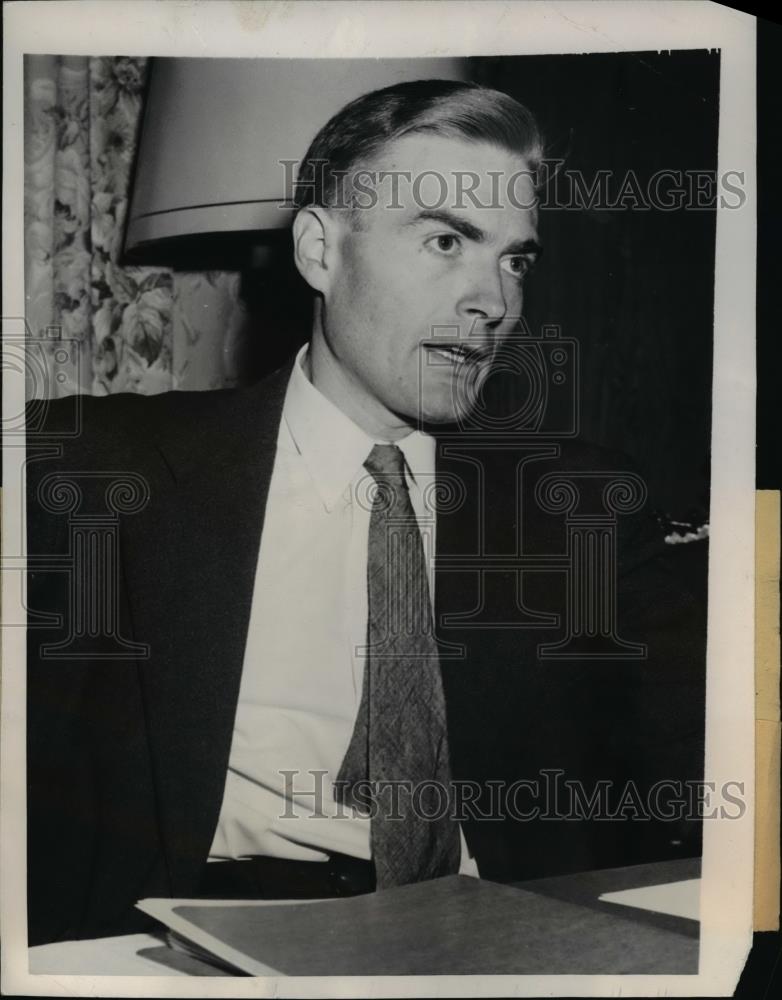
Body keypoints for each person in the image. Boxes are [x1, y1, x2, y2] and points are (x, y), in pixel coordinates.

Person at [26, 79, 706, 946]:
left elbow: (706, 735)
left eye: (514, 258)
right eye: (446, 240)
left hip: (495, 946)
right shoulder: (98, 466)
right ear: (320, 251)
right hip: (187, 941)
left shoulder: (580, 506)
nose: (494, 302)